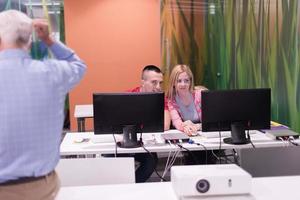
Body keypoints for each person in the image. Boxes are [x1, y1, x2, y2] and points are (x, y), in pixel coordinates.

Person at [0, 10, 86, 200]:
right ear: (29, 40)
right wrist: (48, 40)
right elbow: (78, 66)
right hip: (42, 188)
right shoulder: (52, 73)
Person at [121, 65, 170, 183]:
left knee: (151, 161)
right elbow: (119, 123)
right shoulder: (128, 96)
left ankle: (133, 186)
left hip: (145, 144)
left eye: (160, 83)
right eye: (154, 82)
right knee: (109, 157)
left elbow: (166, 125)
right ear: (142, 82)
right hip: (125, 142)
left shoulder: (160, 98)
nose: (158, 87)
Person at [166, 64, 215, 164]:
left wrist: (196, 126)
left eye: (186, 81)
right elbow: (176, 122)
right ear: (173, 83)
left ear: (190, 81)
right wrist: (185, 127)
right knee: (193, 155)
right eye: (179, 81)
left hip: (206, 135)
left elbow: (211, 121)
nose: (183, 84)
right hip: (189, 136)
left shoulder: (200, 95)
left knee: (203, 155)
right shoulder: (171, 100)